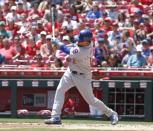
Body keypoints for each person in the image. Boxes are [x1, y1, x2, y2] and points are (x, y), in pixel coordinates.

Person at [44, 29, 118, 125]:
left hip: (82, 77)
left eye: (81, 40)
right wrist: (58, 44)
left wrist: (57, 42)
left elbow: (66, 50)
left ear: (87, 41)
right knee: (60, 90)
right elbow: (74, 45)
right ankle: (55, 116)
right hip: (70, 72)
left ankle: (111, 114)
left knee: (91, 100)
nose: (79, 41)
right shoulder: (86, 43)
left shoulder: (83, 50)